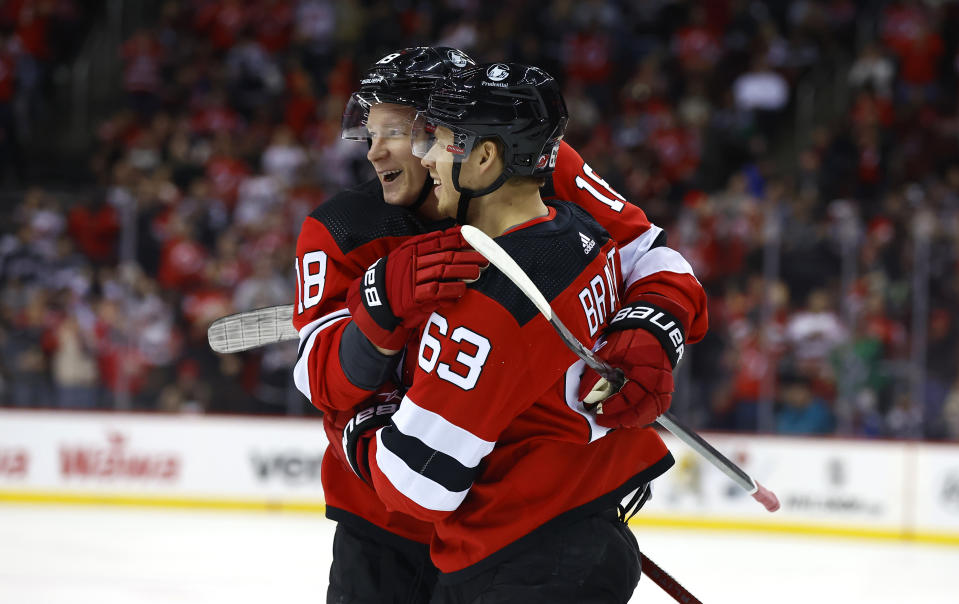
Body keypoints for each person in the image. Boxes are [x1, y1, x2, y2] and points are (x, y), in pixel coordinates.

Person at [291, 48, 707, 603]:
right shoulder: (341, 230)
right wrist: (379, 310)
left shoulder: (541, 166)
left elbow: (649, 256)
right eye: (369, 133)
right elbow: (320, 378)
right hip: (390, 520)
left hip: (516, 514)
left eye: (397, 130)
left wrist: (649, 332)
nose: (375, 152)